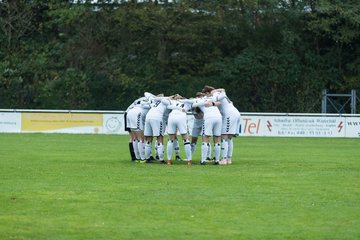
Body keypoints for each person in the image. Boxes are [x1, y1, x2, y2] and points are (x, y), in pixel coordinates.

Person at [211, 88, 241, 165]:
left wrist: (213, 93)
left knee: (224, 136)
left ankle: (224, 160)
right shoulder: (222, 93)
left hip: (229, 115)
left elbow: (213, 101)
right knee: (229, 137)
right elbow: (223, 90)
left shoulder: (215, 95)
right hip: (235, 113)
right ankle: (228, 159)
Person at [191, 92, 222, 165]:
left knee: (205, 138)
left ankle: (203, 160)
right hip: (218, 117)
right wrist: (212, 104)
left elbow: (193, 104)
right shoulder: (211, 98)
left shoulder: (199, 100)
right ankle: (217, 160)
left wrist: (201, 103)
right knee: (217, 139)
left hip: (209, 118)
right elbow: (219, 103)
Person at [164, 95, 193, 165]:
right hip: (181, 116)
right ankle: (189, 160)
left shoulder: (173, 101)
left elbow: (167, 105)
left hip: (172, 116)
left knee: (170, 139)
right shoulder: (187, 102)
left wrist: (171, 97)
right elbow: (192, 102)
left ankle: (169, 160)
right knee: (186, 139)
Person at [144, 94, 172, 163]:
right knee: (159, 137)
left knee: (148, 139)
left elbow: (147, 94)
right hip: (157, 117)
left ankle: (148, 158)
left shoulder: (156, 100)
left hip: (148, 117)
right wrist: (169, 98)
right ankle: (161, 159)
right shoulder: (168, 101)